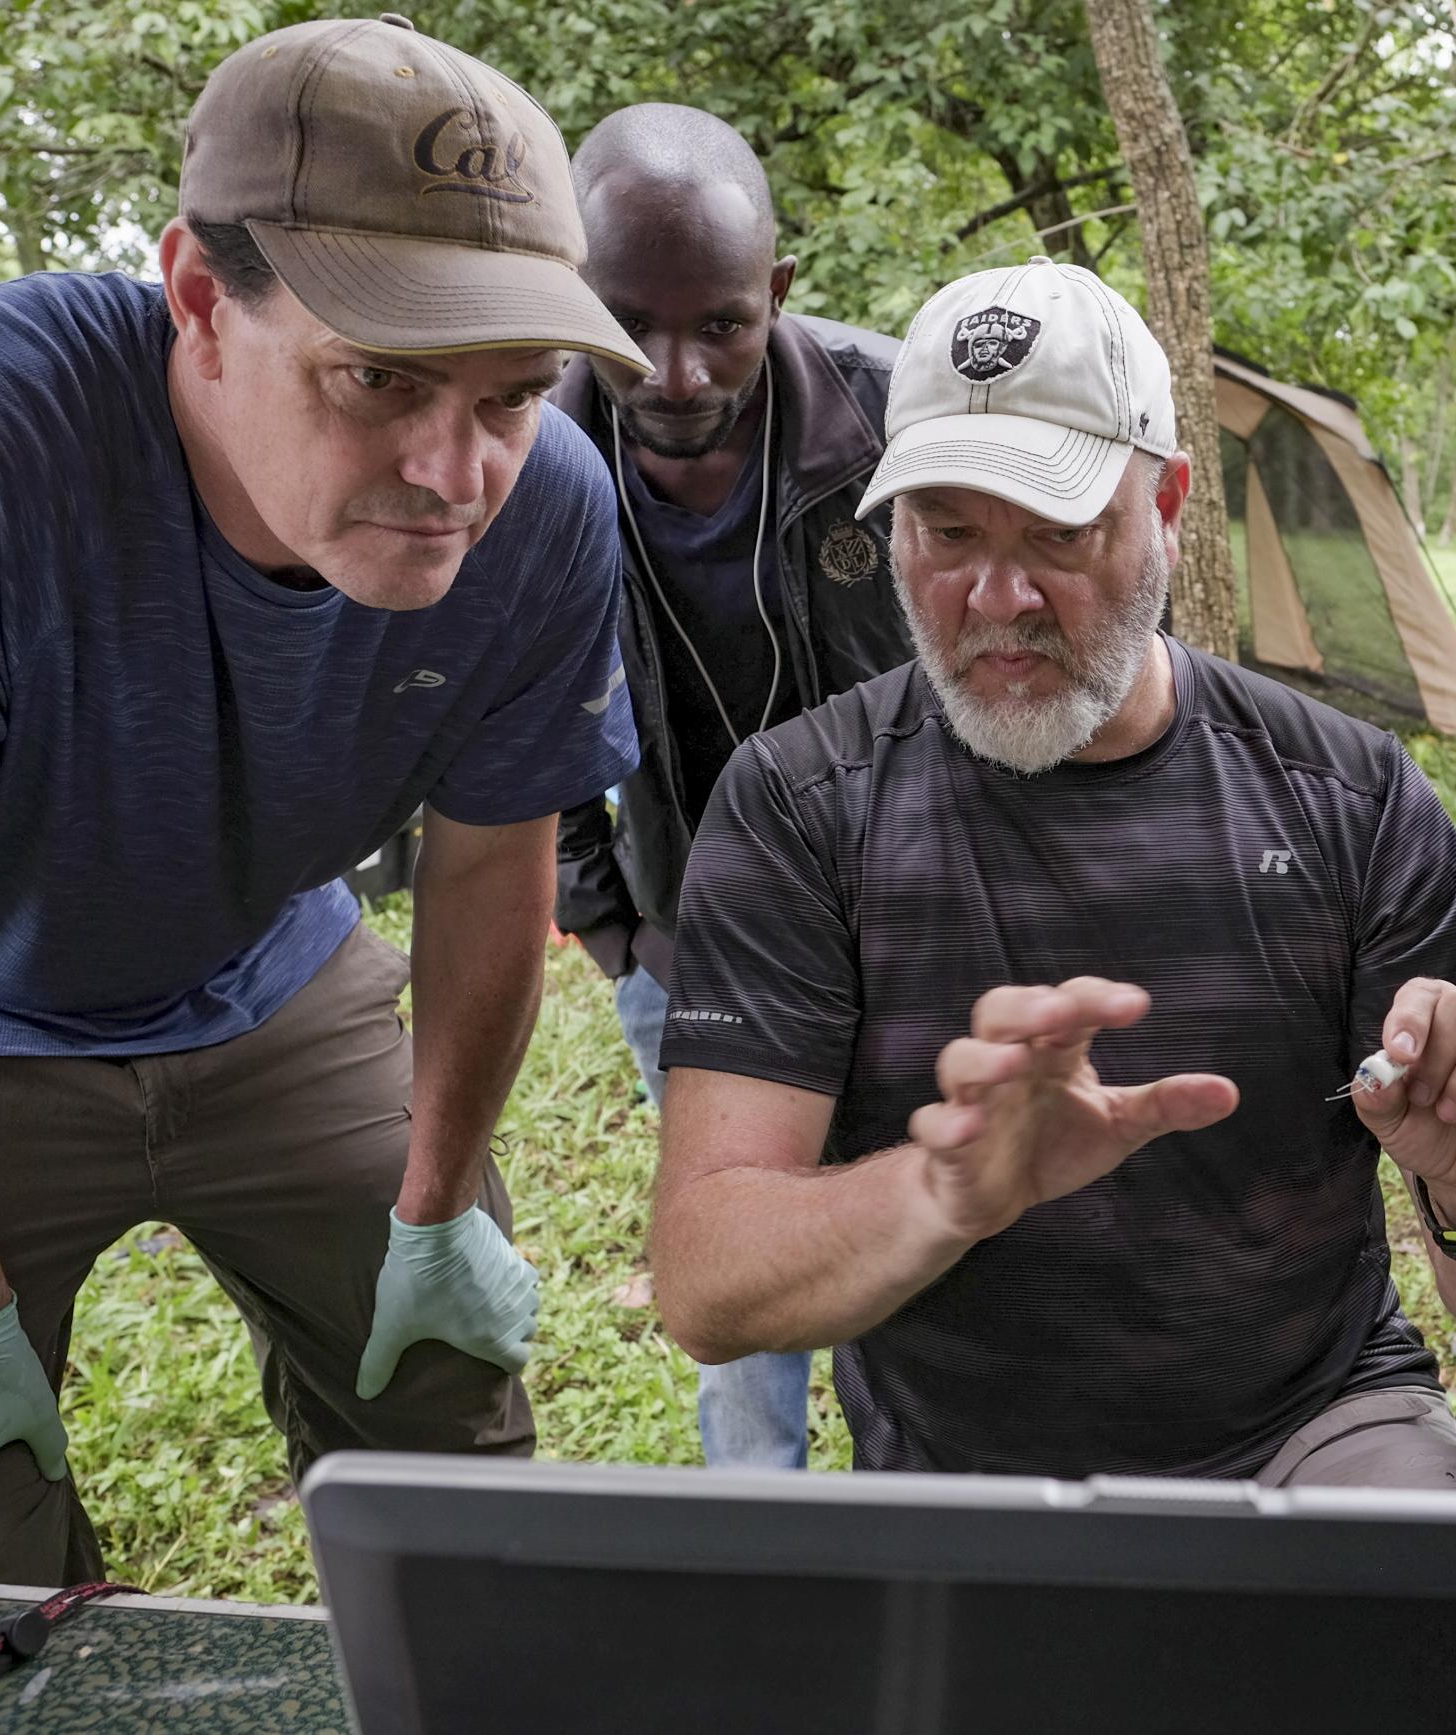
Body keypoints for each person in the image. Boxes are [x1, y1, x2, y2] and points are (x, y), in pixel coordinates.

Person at [0, 15, 646, 1582]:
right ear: (200, 299)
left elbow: (490, 874)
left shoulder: (550, 515)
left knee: (449, 1424)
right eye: (382, 377)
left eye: (511, 394)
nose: (454, 471)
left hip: (277, 974)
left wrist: (441, 1200)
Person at [648, 259, 1456, 1484]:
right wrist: (949, 1187)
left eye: (1058, 530)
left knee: (1454, 1611)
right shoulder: (801, 807)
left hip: (1314, 1430)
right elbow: (706, 1281)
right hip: (965, 1472)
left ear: (1169, 506)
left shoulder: (1348, 799)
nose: (997, 595)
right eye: (945, 531)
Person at [549, 105, 911, 1470]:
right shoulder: (521, 452)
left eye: (722, 324)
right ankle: (761, 1534)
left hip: (898, 930)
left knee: (898, 1227)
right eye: (626, 321)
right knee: (742, 1253)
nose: (676, 369)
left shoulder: (895, 424)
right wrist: (613, 923)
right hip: (684, 943)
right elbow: (513, 718)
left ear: (780, 294)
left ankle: (912, 1515)